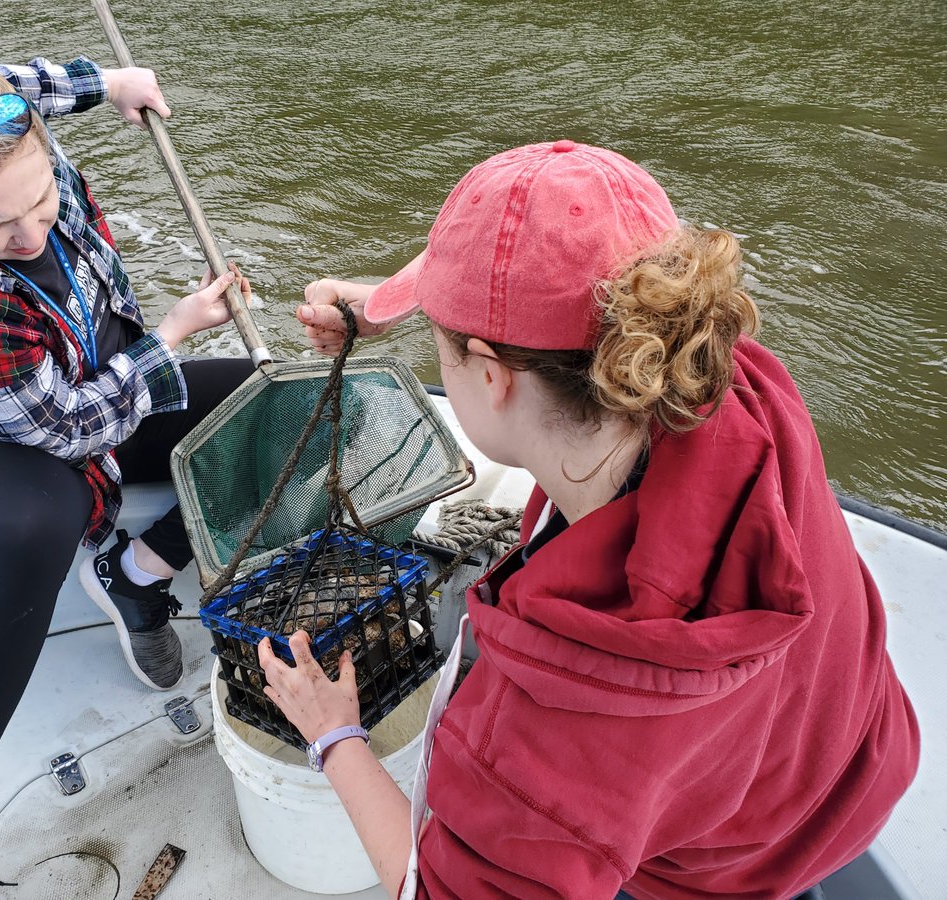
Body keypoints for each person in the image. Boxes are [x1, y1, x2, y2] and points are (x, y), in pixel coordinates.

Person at [258, 140, 919, 899]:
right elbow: (570, 293)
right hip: (846, 774)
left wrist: (335, 735)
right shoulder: (739, 385)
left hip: (715, 877)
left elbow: (433, 889)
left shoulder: (548, 729)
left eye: (438, 343)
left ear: (492, 375)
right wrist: (391, 309)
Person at [0, 55, 253, 899]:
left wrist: (113, 83)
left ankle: (139, 572)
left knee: (274, 403)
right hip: (14, 445)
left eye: (42, 201)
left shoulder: (2, 126)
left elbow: (18, 83)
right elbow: (70, 431)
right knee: (34, 527)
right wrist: (172, 333)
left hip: (103, 382)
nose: (31, 233)